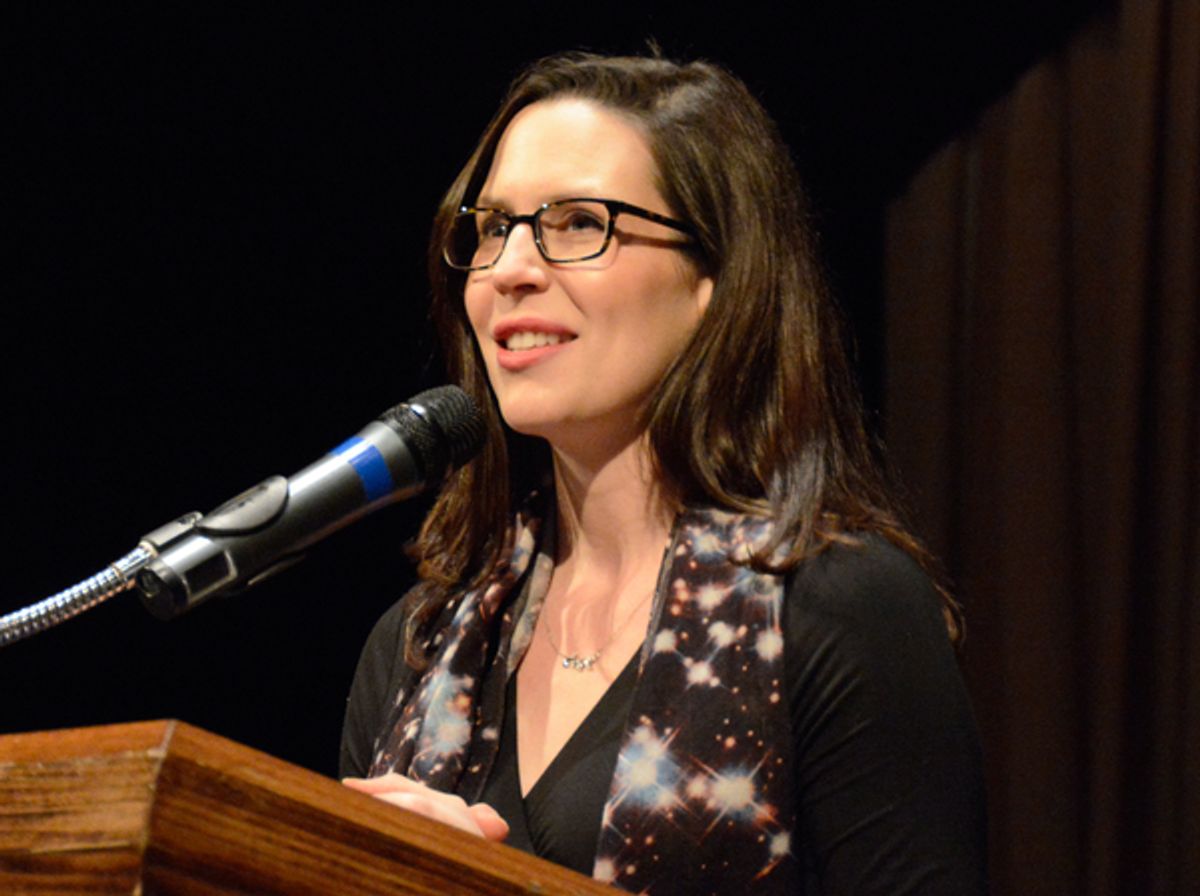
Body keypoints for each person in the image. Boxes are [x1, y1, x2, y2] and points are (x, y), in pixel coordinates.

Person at [339, 51, 987, 894]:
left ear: (714, 277)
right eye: (493, 227)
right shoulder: (420, 648)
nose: (509, 270)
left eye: (579, 223)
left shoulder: (835, 606)